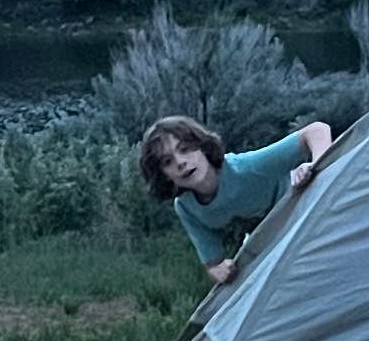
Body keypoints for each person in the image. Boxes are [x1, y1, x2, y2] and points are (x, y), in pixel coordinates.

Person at [139, 112, 333, 286]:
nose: (180, 162)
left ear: (203, 147)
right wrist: (218, 270)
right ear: (163, 175)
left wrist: (318, 168)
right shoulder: (187, 207)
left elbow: (316, 131)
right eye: (167, 161)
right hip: (271, 244)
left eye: (185, 149)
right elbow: (213, 263)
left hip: (308, 211)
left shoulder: (245, 169)